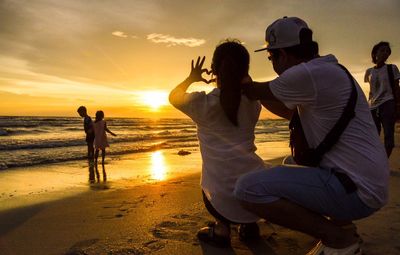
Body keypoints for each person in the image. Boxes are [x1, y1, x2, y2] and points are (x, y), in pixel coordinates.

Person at [234, 17, 389, 255]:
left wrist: (239, 77)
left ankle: (338, 238)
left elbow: (255, 90)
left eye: (271, 57)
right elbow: (289, 112)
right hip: (368, 183)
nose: (272, 63)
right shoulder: (327, 70)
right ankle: (344, 226)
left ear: (283, 54)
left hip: (358, 191)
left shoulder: (306, 74)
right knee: (290, 163)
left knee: (247, 189)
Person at [169, 40, 267, 247]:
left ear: (214, 70)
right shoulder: (254, 103)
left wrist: (191, 78)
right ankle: (249, 226)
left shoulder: (202, 103)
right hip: (256, 192)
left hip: (220, 197)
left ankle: (222, 230)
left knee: (214, 177)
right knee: (242, 173)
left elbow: (173, 97)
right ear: (246, 70)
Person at [364, 41, 400, 157]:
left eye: (387, 51)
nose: (385, 53)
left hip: (388, 103)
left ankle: (384, 161)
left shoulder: (392, 68)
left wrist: (397, 105)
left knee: (389, 136)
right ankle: (375, 160)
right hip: (373, 106)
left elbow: (396, 88)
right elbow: (371, 90)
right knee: (373, 136)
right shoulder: (369, 71)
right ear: (375, 53)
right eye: (382, 50)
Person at [93, 110, 116, 177]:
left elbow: (92, 130)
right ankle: (102, 161)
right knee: (103, 150)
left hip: (97, 137)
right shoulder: (103, 122)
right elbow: (106, 129)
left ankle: (95, 161)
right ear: (102, 115)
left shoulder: (94, 122)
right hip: (102, 137)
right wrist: (111, 133)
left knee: (97, 150)